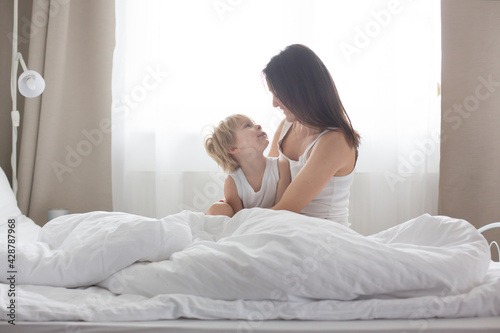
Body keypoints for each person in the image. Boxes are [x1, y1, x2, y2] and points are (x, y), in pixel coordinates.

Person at [263, 44, 360, 226]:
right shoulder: (286, 127)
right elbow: (266, 186)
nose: (275, 104)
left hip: (323, 239)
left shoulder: (335, 141)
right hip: (287, 229)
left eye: (278, 94)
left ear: (300, 91)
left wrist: (239, 221)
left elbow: (285, 208)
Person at [204, 114, 291, 217]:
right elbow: (239, 220)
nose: (258, 126)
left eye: (254, 123)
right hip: (248, 224)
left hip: (271, 221)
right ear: (233, 148)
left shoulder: (281, 166)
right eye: (247, 126)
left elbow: (281, 209)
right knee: (218, 208)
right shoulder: (232, 182)